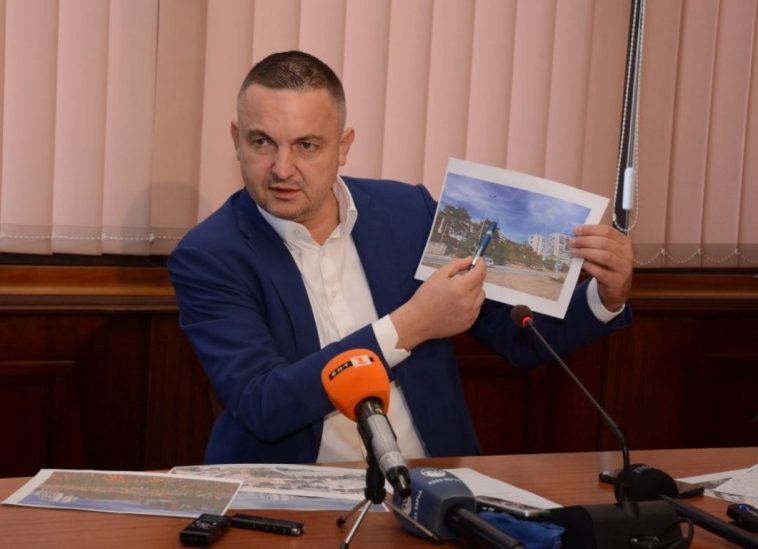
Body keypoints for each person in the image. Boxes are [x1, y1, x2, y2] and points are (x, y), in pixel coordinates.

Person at [168, 50, 633, 465]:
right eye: (261, 142)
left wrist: (605, 297)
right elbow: (263, 403)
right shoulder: (210, 255)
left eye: (306, 145)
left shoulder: (408, 212)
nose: (282, 168)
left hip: (430, 483)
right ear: (236, 140)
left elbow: (516, 338)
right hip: (291, 498)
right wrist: (410, 325)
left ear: (343, 146)